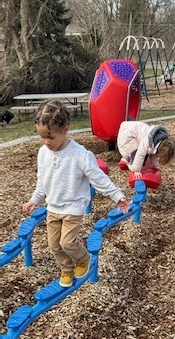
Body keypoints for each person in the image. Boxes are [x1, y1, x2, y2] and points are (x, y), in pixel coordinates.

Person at [22, 100, 129, 288]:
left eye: (50, 137)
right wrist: (35, 199)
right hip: (53, 207)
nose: (46, 142)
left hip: (73, 207)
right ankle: (66, 268)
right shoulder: (43, 153)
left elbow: (98, 178)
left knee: (68, 242)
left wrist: (116, 195)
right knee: (54, 245)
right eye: (42, 138)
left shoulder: (80, 155)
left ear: (65, 129)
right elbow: (42, 180)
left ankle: (83, 258)